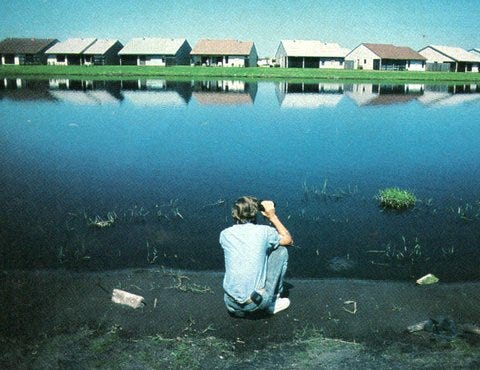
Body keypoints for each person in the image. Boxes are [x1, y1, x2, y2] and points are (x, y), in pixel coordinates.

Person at [220, 196, 293, 317]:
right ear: (256, 213)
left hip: (231, 304)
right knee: (281, 250)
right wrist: (272, 216)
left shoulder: (225, 234)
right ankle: (273, 301)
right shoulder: (264, 232)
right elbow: (288, 240)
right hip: (256, 304)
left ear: (234, 213)